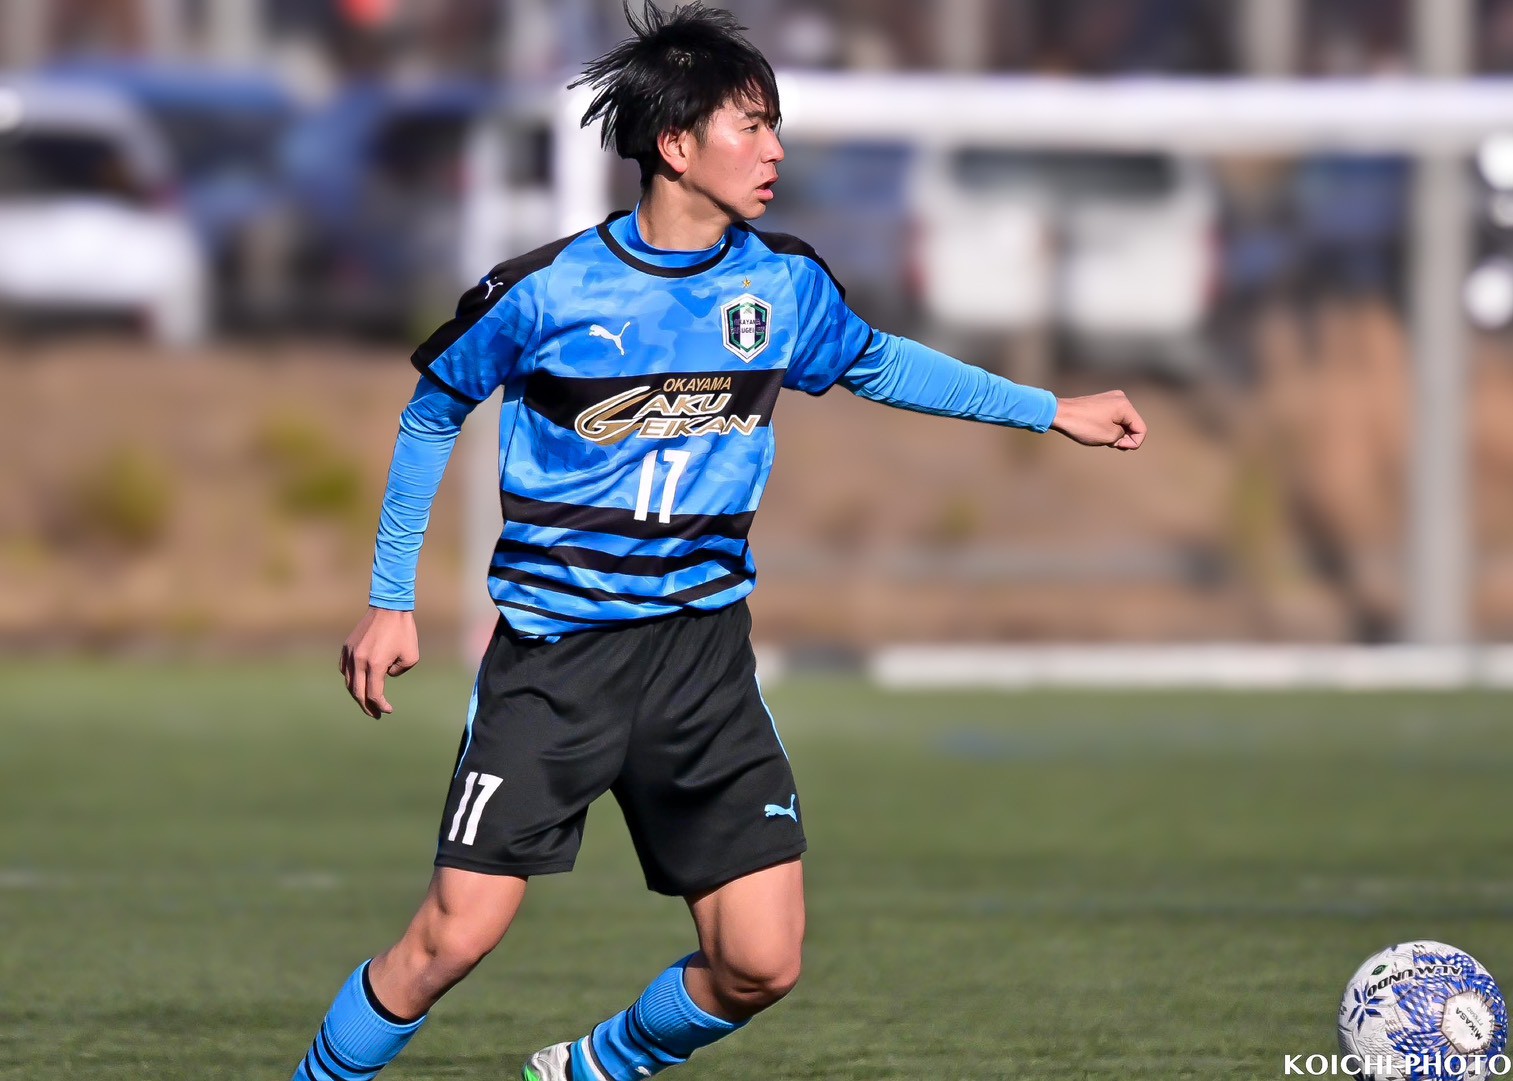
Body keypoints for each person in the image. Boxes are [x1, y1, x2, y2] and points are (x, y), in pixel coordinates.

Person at [287, 3, 1146, 1080]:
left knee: (759, 961)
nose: (775, 149)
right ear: (676, 146)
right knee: (448, 942)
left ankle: (588, 1069)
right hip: (558, 662)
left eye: (775, 124)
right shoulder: (545, 290)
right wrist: (389, 597)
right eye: (752, 125)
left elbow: (882, 363)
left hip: (702, 660)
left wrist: (1049, 408)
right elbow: (430, 414)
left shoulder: (783, 284)